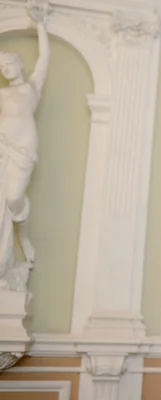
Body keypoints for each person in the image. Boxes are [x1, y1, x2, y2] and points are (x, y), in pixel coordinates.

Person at [0, 7, 49, 287]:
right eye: (1, 68)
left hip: (23, 149)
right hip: (2, 147)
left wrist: (41, 26)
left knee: (13, 197)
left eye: (8, 65)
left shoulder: (32, 87)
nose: (5, 70)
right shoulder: (2, 93)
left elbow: (44, 59)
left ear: (19, 64)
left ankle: (24, 236)